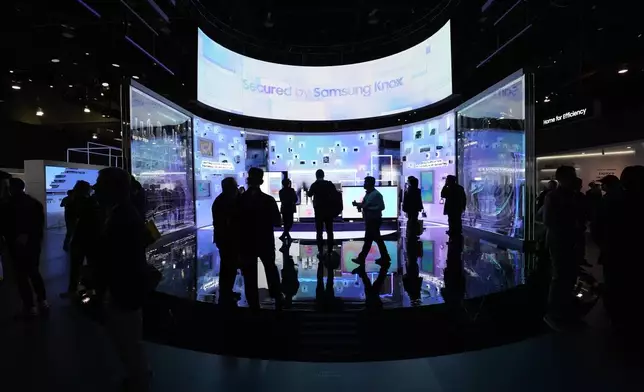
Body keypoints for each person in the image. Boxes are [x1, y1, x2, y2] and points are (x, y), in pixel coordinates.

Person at [93, 167, 151, 391]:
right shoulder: (123, 213)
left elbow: (118, 259)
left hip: (124, 289)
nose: (96, 189)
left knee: (127, 339)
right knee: (129, 338)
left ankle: (139, 381)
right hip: (126, 288)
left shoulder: (122, 217)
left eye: (100, 184)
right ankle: (139, 376)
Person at [543, 166, 583, 331]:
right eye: (571, 176)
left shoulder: (573, 196)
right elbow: (549, 221)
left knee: (570, 275)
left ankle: (564, 308)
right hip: (560, 240)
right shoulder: (554, 196)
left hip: (571, 240)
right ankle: (554, 312)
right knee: (560, 275)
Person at [237, 168, 283, 310]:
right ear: (262, 181)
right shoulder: (268, 200)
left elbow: (236, 222)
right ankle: (276, 296)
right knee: (270, 268)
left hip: (247, 242)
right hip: (265, 241)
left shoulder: (240, 200)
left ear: (248, 180)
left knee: (249, 273)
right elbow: (277, 221)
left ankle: (253, 303)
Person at [5, 178, 47, 318]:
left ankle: (29, 306)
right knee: (34, 273)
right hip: (33, 245)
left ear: (12, 188)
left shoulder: (8, 205)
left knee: (21, 276)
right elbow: (39, 226)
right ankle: (42, 301)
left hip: (15, 246)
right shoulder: (34, 203)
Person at [61, 180, 96, 297]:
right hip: (91, 238)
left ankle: (73, 289)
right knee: (91, 265)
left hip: (78, 238)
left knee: (75, 266)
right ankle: (91, 289)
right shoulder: (92, 202)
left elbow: (71, 220)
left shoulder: (72, 202)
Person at [212, 177, 240, 307]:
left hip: (225, 239)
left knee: (229, 266)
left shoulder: (220, 200)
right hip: (227, 239)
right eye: (235, 186)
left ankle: (227, 291)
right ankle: (225, 292)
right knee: (228, 266)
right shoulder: (224, 202)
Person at [351, 176, 391, 267]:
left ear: (369, 183)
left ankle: (362, 258)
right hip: (370, 220)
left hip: (374, 220)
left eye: (365, 182)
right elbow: (366, 204)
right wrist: (358, 204)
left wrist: (367, 208)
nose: (364, 184)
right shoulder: (369, 194)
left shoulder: (376, 194)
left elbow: (381, 207)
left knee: (369, 240)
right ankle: (385, 257)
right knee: (375, 240)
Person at [306, 169, 338, 256]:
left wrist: (306, 190)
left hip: (319, 211)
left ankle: (320, 251)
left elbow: (309, 194)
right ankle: (330, 251)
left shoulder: (315, 185)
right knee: (329, 231)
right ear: (323, 175)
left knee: (319, 232)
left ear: (316, 176)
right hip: (328, 210)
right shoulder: (329, 184)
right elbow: (335, 194)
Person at [278, 178, 298, 243]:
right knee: (290, 223)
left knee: (286, 223)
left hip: (284, 208)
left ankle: (286, 236)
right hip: (290, 208)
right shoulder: (291, 190)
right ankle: (284, 235)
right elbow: (295, 199)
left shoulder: (281, 191)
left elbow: (281, 200)